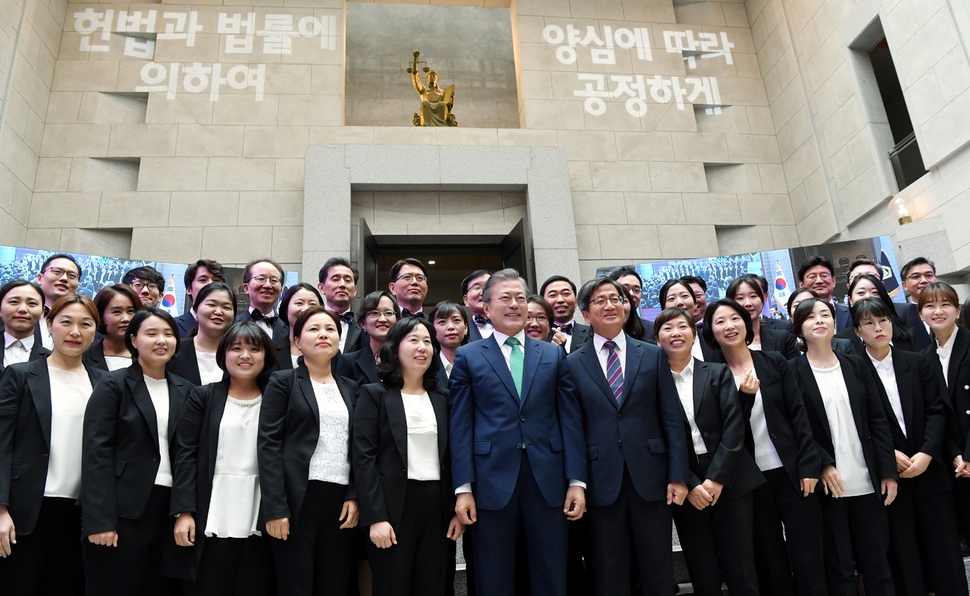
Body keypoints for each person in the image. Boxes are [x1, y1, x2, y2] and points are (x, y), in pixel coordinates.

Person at [449, 268, 586, 596]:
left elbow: (570, 420)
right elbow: (460, 425)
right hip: (490, 482)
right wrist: (463, 488)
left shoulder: (552, 354)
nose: (514, 305)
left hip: (548, 480)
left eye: (520, 298)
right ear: (485, 306)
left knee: (551, 574)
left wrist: (576, 482)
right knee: (493, 577)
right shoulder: (468, 356)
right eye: (505, 298)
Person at [567, 278, 688, 595]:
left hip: (652, 480)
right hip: (600, 482)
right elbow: (572, 430)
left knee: (658, 572)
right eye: (599, 301)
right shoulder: (572, 364)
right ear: (585, 313)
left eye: (615, 298)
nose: (609, 305)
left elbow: (672, 418)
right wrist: (576, 482)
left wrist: (678, 476)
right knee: (610, 574)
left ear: (625, 306)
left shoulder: (652, 354)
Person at [704, 298, 825, 595]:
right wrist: (743, 397)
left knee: (808, 552)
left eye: (734, 318)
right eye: (720, 322)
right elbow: (728, 433)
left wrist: (809, 466)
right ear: (710, 331)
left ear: (747, 323)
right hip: (750, 481)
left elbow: (800, 417)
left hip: (792, 470)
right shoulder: (712, 375)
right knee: (770, 558)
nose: (729, 326)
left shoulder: (774, 362)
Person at [852, 297, 968, 596]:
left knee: (945, 553)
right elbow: (859, 422)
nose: (879, 328)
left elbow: (937, 410)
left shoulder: (917, 360)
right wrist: (887, 452)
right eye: (869, 323)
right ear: (856, 331)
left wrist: (927, 452)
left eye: (884, 320)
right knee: (904, 557)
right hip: (890, 474)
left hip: (930, 467)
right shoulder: (852, 371)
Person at [788, 296, 897, 596]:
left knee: (878, 566)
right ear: (799, 328)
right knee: (840, 570)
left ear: (836, 324)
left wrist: (888, 471)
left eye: (825, 314)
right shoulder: (792, 371)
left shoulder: (856, 364)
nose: (819, 320)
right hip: (829, 486)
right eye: (810, 317)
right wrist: (822, 464)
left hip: (867, 481)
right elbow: (797, 428)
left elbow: (878, 421)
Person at [81, 307, 193, 595]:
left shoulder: (188, 390)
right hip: (122, 510)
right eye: (151, 333)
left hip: (168, 509)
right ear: (133, 340)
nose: (162, 340)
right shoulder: (113, 383)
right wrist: (100, 520)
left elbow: (189, 455)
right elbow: (96, 453)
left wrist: (185, 509)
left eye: (169, 334)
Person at [655, 307, 762, 596]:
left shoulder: (716, 372)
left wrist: (715, 479)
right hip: (685, 482)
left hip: (730, 477)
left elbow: (734, 427)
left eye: (682, 327)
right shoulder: (652, 382)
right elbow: (656, 439)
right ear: (657, 339)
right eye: (667, 328)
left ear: (694, 334)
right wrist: (689, 482)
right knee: (703, 572)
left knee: (742, 568)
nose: (675, 333)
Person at [0, 294, 103, 594]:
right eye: (66, 322)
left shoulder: (104, 382)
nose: (75, 332)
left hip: (80, 512)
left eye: (85, 324)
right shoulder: (20, 375)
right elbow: (3, 443)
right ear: (49, 324)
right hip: (25, 508)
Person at [353, 318, 463, 596]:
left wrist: (455, 510)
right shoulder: (373, 395)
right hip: (392, 508)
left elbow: (454, 456)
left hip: (437, 508)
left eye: (427, 341)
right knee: (392, 585)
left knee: (436, 585)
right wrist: (375, 517)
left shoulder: (444, 398)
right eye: (413, 340)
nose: (422, 347)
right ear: (394, 348)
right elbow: (364, 460)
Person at [167, 322, 277, 595]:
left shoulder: (277, 400)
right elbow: (185, 455)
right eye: (236, 348)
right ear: (223, 354)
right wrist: (184, 511)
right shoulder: (202, 396)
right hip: (212, 508)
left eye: (254, 349)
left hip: (259, 511)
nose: (245, 356)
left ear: (267, 356)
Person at [258, 306, 359, 596]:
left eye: (330, 329)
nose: (324, 334)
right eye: (313, 329)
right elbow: (268, 446)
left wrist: (354, 494)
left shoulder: (352, 388)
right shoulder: (283, 382)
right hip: (296, 501)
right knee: (296, 586)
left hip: (340, 502)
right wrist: (275, 508)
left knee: (335, 585)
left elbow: (359, 448)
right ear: (298, 341)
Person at [917, 282, 970, 543]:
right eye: (929, 306)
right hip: (956, 462)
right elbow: (936, 412)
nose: (938, 311)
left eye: (945, 304)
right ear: (920, 314)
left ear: (958, 311)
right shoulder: (924, 358)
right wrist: (956, 455)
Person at [168, 283, 236, 386]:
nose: (218, 312)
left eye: (226, 307)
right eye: (211, 305)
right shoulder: (174, 350)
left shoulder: (238, 354)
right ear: (196, 309)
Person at [834, 273, 915, 354]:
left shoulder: (904, 329)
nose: (868, 297)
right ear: (850, 300)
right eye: (861, 293)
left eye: (875, 292)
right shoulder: (840, 341)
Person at [726, 274, 799, 358]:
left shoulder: (783, 338)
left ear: (763, 298)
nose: (748, 303)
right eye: (740, 298)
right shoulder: (721, 341)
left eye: (753, 296)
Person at [338, 291, 400, 386]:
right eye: (375, 313)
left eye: (389, 313)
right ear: (363, 323)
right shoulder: (348, 362)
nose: (383, 319)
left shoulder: (407, 360)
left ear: (397, 320)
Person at [84, 284, 141, 372]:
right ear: (101, 315)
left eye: (131, 311)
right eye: (117, 312)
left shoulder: (147, 357)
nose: (126, 319)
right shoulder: (84, 358)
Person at [234, 259, 287, 352]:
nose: (267, 285)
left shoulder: (289, 332)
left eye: (274, 280)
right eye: (261, 279)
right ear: (246, 288)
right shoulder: (231, 326)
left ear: (280, 291)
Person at [659, 279, 716, 361]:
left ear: (695, 303)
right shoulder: (651, 347)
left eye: (684, 296)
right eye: (671, 299)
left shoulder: (713, 340)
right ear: (663, 308)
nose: (679, 302)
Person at [787, 288, 856, 356]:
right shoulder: (785, 345)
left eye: (810, 303)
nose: (803, 308)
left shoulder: (844, 346)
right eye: (797, 305)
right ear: (790, 315)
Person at [34, 253, 82, 350]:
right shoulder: (21, 314)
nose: (64, 278)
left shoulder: (85, 321)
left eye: (72, 275)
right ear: (40, 278)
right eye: (57, 271)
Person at [0, 280, 49, 374]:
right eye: (14, 302)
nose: (22, 309)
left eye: (32, 303)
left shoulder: (50, 359)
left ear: (42, 312)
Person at [318, 258, 361, 353]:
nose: (342, 284)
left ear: (355, 290)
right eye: (335, 279)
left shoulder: (364, 327)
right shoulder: (309, 324)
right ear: (321, 288)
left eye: (348, 280)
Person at [277, 283, 323, 371]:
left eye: (312, 304)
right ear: (286, 308)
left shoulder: (329, 350)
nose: (305, 309)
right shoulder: (271, 349)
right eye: (299, 303)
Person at [797, 256, 851, 331]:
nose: (819, 281)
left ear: (833, 281)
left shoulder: (852, 314)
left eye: (824, 276)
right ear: (801, 285)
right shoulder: (797, 319)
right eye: (812, 277)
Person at [175, 260, 227, 338]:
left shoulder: (233, 328)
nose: (210, 284)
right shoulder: (172, 326)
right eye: (203, 280)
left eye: (216, 280)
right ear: (188, 289)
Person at [541, 275, 590, 353]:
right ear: (543, 304)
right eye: (552, 295)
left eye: (566, 294)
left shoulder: (592, 333)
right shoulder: (537, 335)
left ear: (576, 301)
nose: (560, 300)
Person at [429, 301, 469, 390]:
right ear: (432, 330)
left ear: (465, 328)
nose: (450, 327)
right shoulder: (427, 367)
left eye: (456, 320)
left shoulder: (479, 363)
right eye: (442, 322)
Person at [609, 267, 653, 343]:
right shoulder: (601, 328)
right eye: (625, 289)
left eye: (636, 290)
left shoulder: (652, 329)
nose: (631, 294)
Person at [462, 270, 492, 342]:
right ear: (466, 300)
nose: (483, 292)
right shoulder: (461, 334)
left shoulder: (513, 326)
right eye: (477, 287)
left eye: (488, 287)